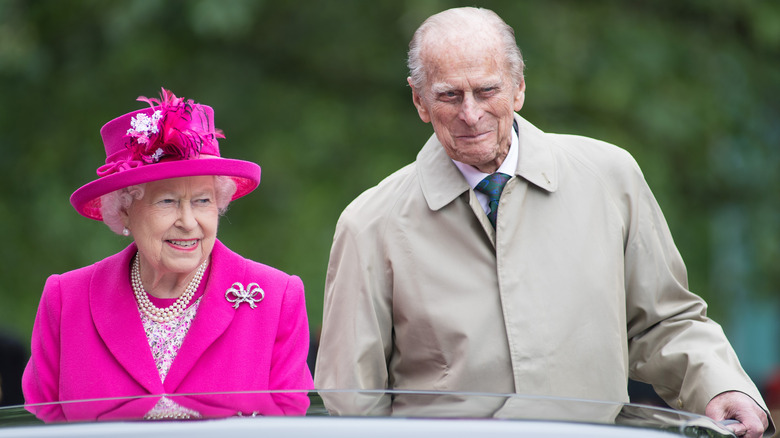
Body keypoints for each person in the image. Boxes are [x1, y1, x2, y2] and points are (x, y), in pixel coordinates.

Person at [314, 7, 773, 437]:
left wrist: (721, 385)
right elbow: (353, 404)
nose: (470, 114)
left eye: (487, 90)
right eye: (449, 95)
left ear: (519, 88)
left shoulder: (610, 177)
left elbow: (664, 322)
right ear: (419, 101)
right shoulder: (369, 223)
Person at [23, 88, 313, 422]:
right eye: (167, 201)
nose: (189, 223)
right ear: (125, 211)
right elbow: (38, 423)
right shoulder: (66, 299)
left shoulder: (276, 298)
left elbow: (290, 426)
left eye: (202, 201)